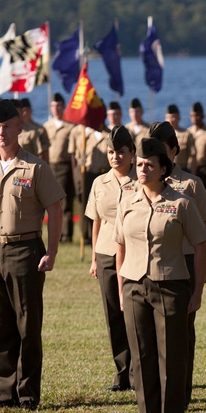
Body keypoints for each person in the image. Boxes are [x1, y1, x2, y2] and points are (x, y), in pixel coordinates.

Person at [0, 99, 64, 410]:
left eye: (7, 126)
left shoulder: (35, 167)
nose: (1, 132)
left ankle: (28, 394)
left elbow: (56, 209)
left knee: (27, 324)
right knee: (0, 325)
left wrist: (52, 252)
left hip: (26, 249)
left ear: (20, 127)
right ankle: (5, 392)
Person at [115, 137, 206, 413]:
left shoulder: (182, 202)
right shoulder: (127, 201)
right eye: (139, 164)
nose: (141, 169)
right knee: (141, 357)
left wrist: (198, 290)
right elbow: (120, 245)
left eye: (148, 165)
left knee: (171, 357)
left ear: (164, 168)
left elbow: (201, 244)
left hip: (171, 286)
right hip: (133, 285)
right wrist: (120, 287)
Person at [149, 121, 206, 406]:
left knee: (182, 330)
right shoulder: (142, 184)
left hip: (186, 262)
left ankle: (182, 391)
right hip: (153, 262)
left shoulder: (190, 184)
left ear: (174, 150)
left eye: (161, 148)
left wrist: (202, 274)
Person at [85, 126, 139, 392]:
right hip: (107, 253)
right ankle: (122, 373)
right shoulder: (99, 182)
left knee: (135, 314)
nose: (115, 157)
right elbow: (96, 222)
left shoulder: (142, 180)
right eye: (111, 152)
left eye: (121, 152)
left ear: (132, 153)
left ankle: (139, 372)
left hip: (136, 254)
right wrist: (94, 258)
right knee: (113, 315)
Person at [44, 93, 76, 243]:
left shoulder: (70, 126)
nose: (56, 108)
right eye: (53, 106)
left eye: (58, 106)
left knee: (65, 201)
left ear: (63, 107)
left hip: (64, 166)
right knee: (49, 202)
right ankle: (53, 234)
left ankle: (66, 235)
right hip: (49, 166)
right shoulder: (46, 126)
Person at [72, 120, 111, 246]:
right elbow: (78, 156)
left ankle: (103, 234)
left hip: (105, 173)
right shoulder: (86, 135)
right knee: (87, 205)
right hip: (89, 174)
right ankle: (86, 235)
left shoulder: (109, 135)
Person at [15, 98, 49, 162]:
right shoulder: (15, 130)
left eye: (26, 110)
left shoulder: (39, 129)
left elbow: (44, 152)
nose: (24, 113)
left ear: (30, 110)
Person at [164, 104, 196, 171]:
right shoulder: (162, 135)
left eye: (174, 117)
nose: (172, 120)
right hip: (166, 169)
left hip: (181, 169)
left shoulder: (186, 134)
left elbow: (192, 156)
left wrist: (193, 173)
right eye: (169, 117)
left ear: (179, 118)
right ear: (166, 118)